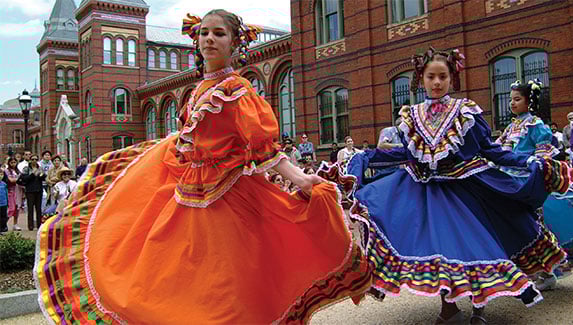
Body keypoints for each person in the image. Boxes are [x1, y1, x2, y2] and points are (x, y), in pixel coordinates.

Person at [35, 9, 371, 324]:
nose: (210, 39)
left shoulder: (237, 90)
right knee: (173, 277)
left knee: (224, 289)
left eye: (219, 33)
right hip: (187, 196)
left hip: (228, 202)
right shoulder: (200, 89)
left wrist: (300, 178)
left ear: (235, 43)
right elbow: (187, 144)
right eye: (205, 33)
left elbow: (263, 147)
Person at [332, 46, 569, 324]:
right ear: (421, 78)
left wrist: (529, 162)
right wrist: (366, 156)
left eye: (442, 77)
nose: (436, 83)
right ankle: (450, 309)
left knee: (476, 246)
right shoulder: (412, 116)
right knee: (442, 251)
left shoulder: (465, 112)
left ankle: (478, 308)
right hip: (426, 191)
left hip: (466, 190)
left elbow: (491, 150)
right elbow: (406, 153)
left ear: (451, 78)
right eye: (431, 76)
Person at [496, 80, 573, 291]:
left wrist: (533, 169)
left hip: (529, 181)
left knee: (537, 225)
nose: (512, 103)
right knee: (515, 226)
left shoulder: (536, 125)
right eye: (511, 99)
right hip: (510, 181)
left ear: (529, 102)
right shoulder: (511, 127)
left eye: (517, 99)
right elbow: (501, 151)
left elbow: (544, 153)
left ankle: (548, 272)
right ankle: (528, 271)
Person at [21, 154, 46, 230]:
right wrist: (32, 174)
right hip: (30, 191)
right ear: (30, 160)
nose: (34, 161)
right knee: (30, 208)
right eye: (32, 159)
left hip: (39, 190)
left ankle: (39, 224)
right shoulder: (26, 168)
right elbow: (24, 178)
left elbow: (43, 178)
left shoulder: (40, 168)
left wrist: (41, 175)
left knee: (39, 208)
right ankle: (30, 225)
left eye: (36, 159)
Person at [3, 157, 22, 231]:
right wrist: (18, 179)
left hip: (18, 191)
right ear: (9, 163)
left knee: (17, 208)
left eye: (15, 162)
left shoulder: (17, 171)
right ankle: (3, 223)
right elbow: (11, 180)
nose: (13, 164)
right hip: (10, 191)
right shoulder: (7, 171)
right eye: (12, 162)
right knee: (11, 208)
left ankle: (15, 224)